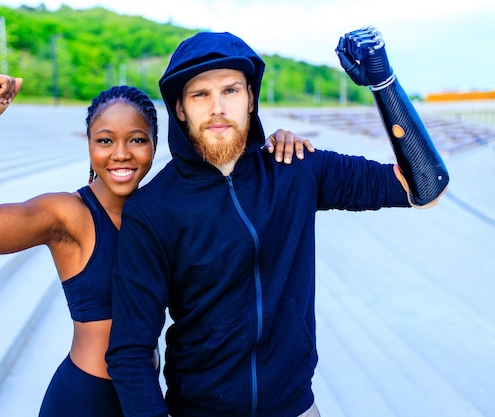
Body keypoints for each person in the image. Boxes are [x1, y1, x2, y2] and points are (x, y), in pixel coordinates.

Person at [105, 27, 449, 417]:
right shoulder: (152, 209)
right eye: (201, 94)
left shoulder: (296, 169)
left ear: (251, 98)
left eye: (231, 90)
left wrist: (383, 82)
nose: (217, 107)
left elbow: (426, 185)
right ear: (180, 108)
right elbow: (131, 352)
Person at [0, 73, 313, 416]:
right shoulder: (69, 214)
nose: (120, 153)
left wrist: (272, 148)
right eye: (105, 141)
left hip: (148, 399)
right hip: (85, 401)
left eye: (136, 140)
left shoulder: (166, 209)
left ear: (154, 144)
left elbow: (232, 174)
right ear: (89, 145)